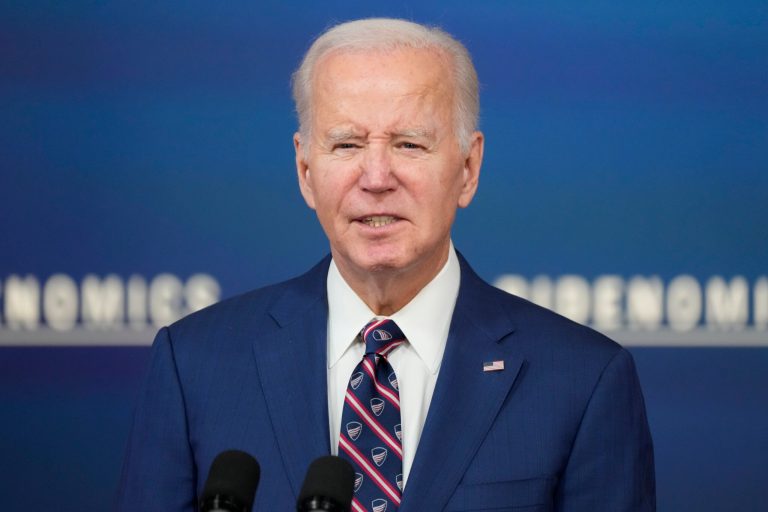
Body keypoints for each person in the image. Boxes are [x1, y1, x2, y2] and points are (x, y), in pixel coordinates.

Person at [116, 18, 655, 512]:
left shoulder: (582, 381)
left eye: (409, 144)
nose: (376, 177)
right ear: (305, 170)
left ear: (468, 168)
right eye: (346, 144)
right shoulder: (195, 367)